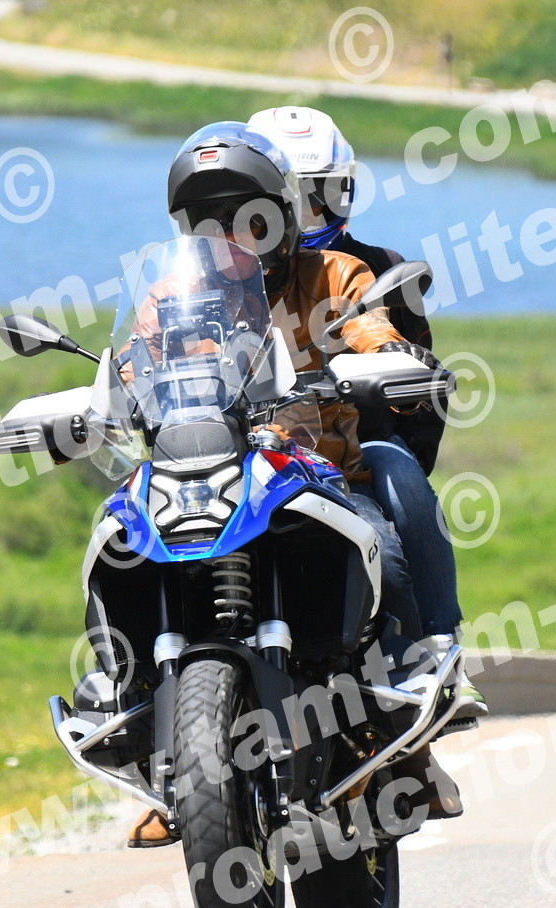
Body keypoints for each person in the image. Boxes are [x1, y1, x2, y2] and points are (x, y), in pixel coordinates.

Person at [127, 121, 462, 848]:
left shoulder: (335, 274)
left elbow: (369, 326)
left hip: (320, 471)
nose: (232, 236)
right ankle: (145, 727)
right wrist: (105, 399)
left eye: (247, 217)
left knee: (384, 543)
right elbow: (136, 360)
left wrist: (389, 356)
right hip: (212, 468)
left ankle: (410, 707)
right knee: (122, 537)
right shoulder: (173, 295)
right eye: (211, 222)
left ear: (282, 214)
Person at [245, 106, 482, 715]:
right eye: (298, 198)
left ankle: (438, 648)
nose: (312, 213)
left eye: (324, 195)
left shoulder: (368, 266)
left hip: (357, 439)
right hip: (242, 445)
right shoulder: (218, 278)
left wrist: (394, 381)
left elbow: (417, 367)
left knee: (401, 475)